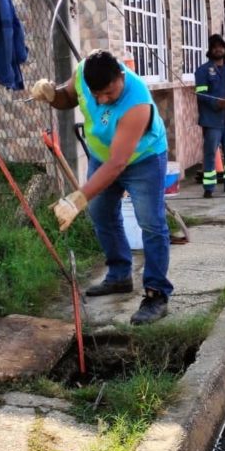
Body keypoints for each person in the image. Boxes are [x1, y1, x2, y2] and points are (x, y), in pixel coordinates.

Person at [30, 49, 172, 326]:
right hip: (102, 156)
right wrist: (51, 93)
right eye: (97, 94)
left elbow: (119, 163)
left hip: (143, 159)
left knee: (151, 223)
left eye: (108, 93)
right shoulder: (84, 73)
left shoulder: (137, 101)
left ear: (121, 75)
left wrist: (77, 199)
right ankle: (119, 275)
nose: (102, 100)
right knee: (101, 213)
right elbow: (68, 98)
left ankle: (157, 294)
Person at [195, 34, 225, 198]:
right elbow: (201, 94)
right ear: (210, 50)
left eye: (221, 46)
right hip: (213, 120)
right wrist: (218, 103)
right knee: (210, 153)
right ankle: (209, 187)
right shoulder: (203, 71)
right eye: (215, 46)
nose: (218, 49)